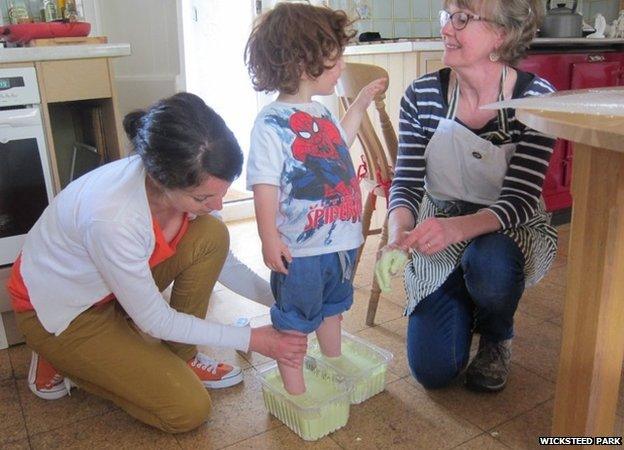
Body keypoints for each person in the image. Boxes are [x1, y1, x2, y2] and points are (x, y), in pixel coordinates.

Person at [6, 92, 307, 433]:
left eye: (222, 192)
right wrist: (252, 339)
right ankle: (60, 354)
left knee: (211, 235)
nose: (219, 205)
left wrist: (287, 302)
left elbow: (228, 265)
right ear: (163, 180)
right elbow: (154, 319)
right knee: (187, 410)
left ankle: (181, 354)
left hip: (109, 290)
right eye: (205, 197)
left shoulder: (182, 182)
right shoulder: (113, 217)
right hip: (62, 311)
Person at [376, 0, 558, 393]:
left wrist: (455, 229)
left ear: (502, 34)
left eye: (462, 19)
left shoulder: (535, 99)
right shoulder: (423, 95)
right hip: (439, 226)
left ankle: (496, 331)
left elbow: (520, 200)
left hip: (508, 232)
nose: (445, 29)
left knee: (488, 263)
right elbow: (406, 183)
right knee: (434, 372)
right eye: (446, 16)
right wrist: (397, 235)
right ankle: (464, 293)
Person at [244, 2, 385, 395]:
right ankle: (297, 393)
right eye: (336, 59)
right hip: (300, 253)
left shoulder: (321, 113)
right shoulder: (270, 123)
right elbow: (264, 184)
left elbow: (341, 143)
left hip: (339, 245)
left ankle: (333, 364)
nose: (341, 67)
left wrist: (358, 106)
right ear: (305, 64)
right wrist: (268, 237)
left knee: (333, 309)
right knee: (294, 320)